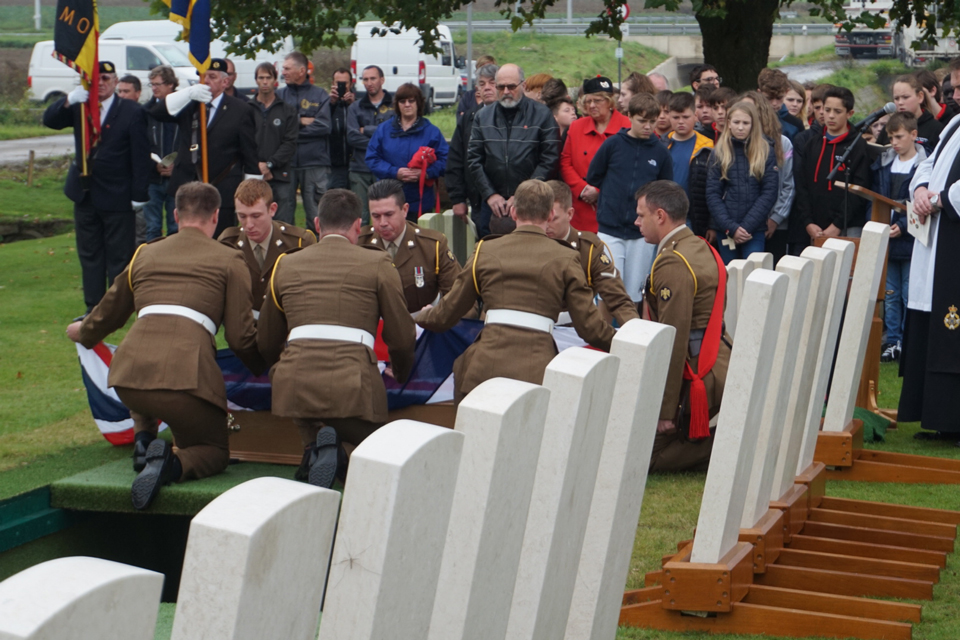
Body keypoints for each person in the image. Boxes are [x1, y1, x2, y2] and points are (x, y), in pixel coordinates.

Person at [65, 182, 265, 509]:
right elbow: (240, 337)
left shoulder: (145, 253)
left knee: (146, 372)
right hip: (185, 381)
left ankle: (144, 440)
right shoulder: (230, 260)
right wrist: (262, 365)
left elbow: (108, 312)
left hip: (128, 376)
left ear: (175, 215)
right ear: (216, 217)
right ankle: (171, 464)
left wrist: (82, 333)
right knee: (213, 450)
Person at [258, 189, 416, 486]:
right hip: (352, 387)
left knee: (308, 410)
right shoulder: (378, 263)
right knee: (372, 451)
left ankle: (314, 445)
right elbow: (402, 335)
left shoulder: (286, 264)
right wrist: (402, 372)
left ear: (317, 224)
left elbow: (266, 339)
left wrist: (280, 369)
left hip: (294, 384)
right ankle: (341, 452)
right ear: (359, 226)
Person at [415, 180, 615, 401]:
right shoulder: (567, 258)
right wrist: (624, 343)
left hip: (482, 370)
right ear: (550, 215)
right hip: (537, 373)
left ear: (513, 212)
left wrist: (419, 315)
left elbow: (446, 313)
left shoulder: (485, 250)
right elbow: (590, 329)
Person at [43, 60, 152, 313]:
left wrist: (139, 194)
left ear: (115, 82)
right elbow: (50, 120)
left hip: (117, 194)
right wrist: (68, 100)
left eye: (106, 79)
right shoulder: (81, 105)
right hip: (84, 192)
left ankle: (116, 308)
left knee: (118, 255)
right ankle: (93, 306)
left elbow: (140, 155)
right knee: (90, 255)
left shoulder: (131, 111)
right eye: (96, 79)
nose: (101, 84)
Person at [637, 180, 730, 473]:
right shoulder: (699, 246)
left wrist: (665, 411)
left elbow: (673, 339)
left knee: (643, 456)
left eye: (641, 215)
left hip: (699, 372)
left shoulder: (672, 262)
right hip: (720, 359)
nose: (636, 221)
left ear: (660, 216)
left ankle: (731, 446)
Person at [899, 58, 960, 444]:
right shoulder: (954, 124)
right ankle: (936, 415)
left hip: (955, 239)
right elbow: (928, 164)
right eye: (953, 86)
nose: (955, 94)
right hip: (936, 242)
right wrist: (921, 190)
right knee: (931, 322)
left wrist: (940, 199)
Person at [148, 58, 260, 239]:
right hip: (187, 186)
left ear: (225, 82)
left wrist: (251, 196)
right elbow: (157, 112)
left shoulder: (240, 109)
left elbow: (250, 154)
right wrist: (188, 93)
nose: (205, 81)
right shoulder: (189, 104)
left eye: (212, 77)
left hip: (222, 187)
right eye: (202, 76)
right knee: (185, 241)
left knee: (221, 241)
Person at [586, 92, 673, 303]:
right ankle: (604, 335)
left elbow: (665, 190)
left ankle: (633, 332)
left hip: (641, 233)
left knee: (635, 292)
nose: (647, 126)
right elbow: (594, 176)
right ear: (630, 117)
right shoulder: (613, 144)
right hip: (610, 227)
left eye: (652, 121)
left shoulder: (661, 152)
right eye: (642, 121)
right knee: (608, 289)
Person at [467, 64, 560, 238]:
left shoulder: (542, 115)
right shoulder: (483, 117)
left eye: (511, 86)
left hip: (532, 203)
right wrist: (490, 194)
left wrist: (522, 194)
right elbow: (474, 159)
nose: (506, 91)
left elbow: (550, 158)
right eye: (501, 87)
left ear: (523, 86)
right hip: (493, 204)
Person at [545, 180, 639, 326]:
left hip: (575, 329)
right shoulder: (528, 244)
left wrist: (637, 332)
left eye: (553, 219)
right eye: (542, 218)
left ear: (569, 214)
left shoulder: (589, 249)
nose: (546, 225)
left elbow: (616, 297)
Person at [869, 112, 923, 363]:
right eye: (891, 137)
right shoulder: (883, 164)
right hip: (887, 235)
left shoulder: (923, 166)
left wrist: (902, 225)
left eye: (899, 136)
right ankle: (892, 341)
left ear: (914, 135)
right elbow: (879, 197)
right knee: (890, 294)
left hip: (911, 238)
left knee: (908, 293)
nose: (895, 142)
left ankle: (909, 340)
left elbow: (918, 203)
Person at [359, 179, 461, 312]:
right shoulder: (360, 245)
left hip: (421, 325)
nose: (383, 222)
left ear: (405, 210)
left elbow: (459, 297)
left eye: (389, 214)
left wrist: (438, 316)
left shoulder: (432, 246)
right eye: (376, 216)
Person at [219, 178, 316, 314]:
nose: (249, 224)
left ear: (272, 209)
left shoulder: (299, 243)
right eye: (242, 216)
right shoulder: (228, 243)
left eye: (256, 216)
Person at [794, 85, 870, 244]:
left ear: (850, 113)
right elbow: (802, 185)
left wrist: (837, 224)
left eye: (837, 111)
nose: (830, 116)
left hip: (848, 226)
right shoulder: (812, 144)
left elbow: (859, 191)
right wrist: (808, 222)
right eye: (827, 110)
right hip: (815, 227)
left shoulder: (858, 146)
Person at [706, 100, 779, 263]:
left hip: (754, 229)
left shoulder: (765, 151)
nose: (740, 127)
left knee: (754, 274)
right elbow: (712, 194)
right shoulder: (719, 152)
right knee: (730, 275)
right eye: (736, 122)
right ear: (729, 124)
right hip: (725, 228)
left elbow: (769, 192)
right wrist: (731, 228)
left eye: (746, 123)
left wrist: (746, 227)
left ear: (753, 125)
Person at [365, 82, 448, 220]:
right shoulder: (383, 130)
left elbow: (446, 160)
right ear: (397, 104)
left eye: (411, 101)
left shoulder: (432, 132)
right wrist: (394, 172)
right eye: (402, 101)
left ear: (418, 103)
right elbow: (372, 158)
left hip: (420, 202)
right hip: (389, 200)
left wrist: (426, 174)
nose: (407, 105)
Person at [560, 75, 631, 234]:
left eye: (598, 100)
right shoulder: (576, 127)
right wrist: (583, 189)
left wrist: (599, 191)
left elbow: (630, 169)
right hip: (582, 210)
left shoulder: (628, 127)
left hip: (616, 212)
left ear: (610, 102)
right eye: (588, 101)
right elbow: (565, 162)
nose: (592, 105)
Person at [277, 51, 332, 228]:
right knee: (283, 215)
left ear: (301, 71)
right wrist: (300, 121)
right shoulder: (279, 96)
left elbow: (324, 126)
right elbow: (275, 128)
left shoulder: (319, 95)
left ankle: (317, 251)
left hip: (315, 163)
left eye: (287, 68)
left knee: (317, 215)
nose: (283, 72)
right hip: (286, 163)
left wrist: (289, 130)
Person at [739, 91, 794, 264]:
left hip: (774, 224)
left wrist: (775, 219)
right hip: (739, 225)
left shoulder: (782, 143)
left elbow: (788, 185)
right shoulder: (732, 144)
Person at [448, 64, 498, 227]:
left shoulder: (515, 118)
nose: (487, 88)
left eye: (492, 83)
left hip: (508, 200)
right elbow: (455, 158)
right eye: (482, 84)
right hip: (477, 200)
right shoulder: (468, 118)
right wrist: (458, 198)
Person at [251, 62, 299, 217]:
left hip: (280, 175)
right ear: (256, 80)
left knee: (282, 223)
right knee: (254, 220)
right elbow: (242, 142)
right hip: (253, 174)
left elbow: (290, 143)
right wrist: (257, 166)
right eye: (261, 78)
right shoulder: (246, 109)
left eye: (268, 78)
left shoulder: (288, 111)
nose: (265, 82)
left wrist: (270, 164)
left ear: (275, 80)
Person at [347, 64, 394, 224]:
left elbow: (392, 135)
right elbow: (352, 137)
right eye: (365, 79)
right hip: (359, 168)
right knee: (362, 217)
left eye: (373, 78)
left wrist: (365, 129)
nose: (369, 82)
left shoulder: (394, 106)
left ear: (382, 80)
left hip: (385, 168)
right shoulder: (355, 107)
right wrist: (379, 140)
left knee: (385, 214)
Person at [664, 92, 714, 238]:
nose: (681, 121)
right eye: (676, 117)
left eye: (685, 117)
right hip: (665, 213)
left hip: (694, 216)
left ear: (695, 115)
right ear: (669, 117)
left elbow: (714, 187)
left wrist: (712, 224)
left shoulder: (707, 147)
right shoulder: (661, 145)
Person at [144, 65, 179, 241]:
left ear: (171, 84)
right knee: (152, 227)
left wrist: (177, 166)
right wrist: (154, 165)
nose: (154, 88)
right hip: (153, 178)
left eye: (158, 84)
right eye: (152, 84)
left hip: (177, 177)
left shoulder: (183, 109)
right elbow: (143, 144)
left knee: (176, 226)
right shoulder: (146, 111)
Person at [875, 74, 943, 153]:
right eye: (896, 98)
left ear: (920, 97)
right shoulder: (889, 127)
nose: (900, 102)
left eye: (905, 97)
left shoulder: (936, 129)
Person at [758, 67, 803, 142]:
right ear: (759, 93)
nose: (774, 103)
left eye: (779, 98)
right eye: (769, 98)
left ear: (787, 92)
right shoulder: (750, 119)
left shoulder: (795, 124)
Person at [328, 67, 356, 190]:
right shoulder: (326, 104)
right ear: (333, 84)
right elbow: (323, 126)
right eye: (338, 83)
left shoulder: (357, 105)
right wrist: (331, 105)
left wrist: (353, 105)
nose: (341, 86)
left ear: (351, 84)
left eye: (345, 83)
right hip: (334, 165)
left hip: (355, 163)